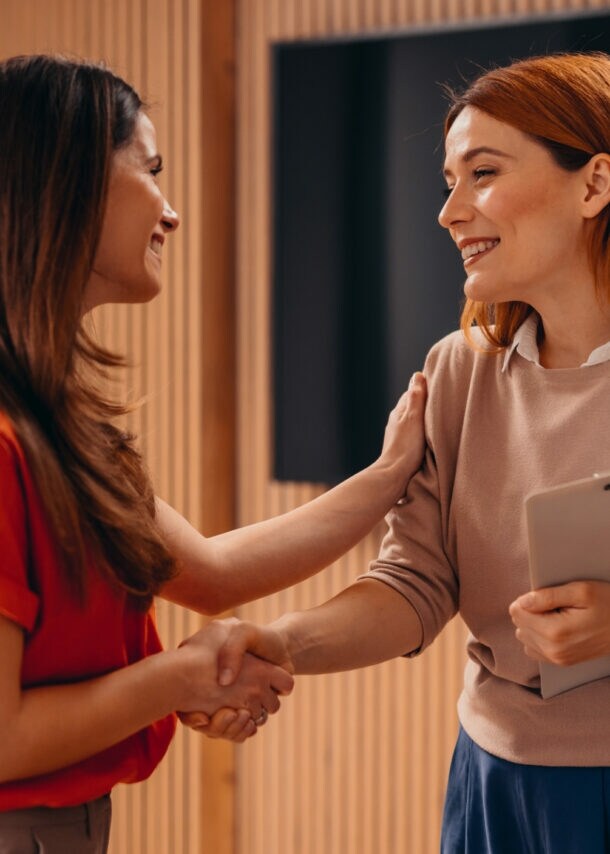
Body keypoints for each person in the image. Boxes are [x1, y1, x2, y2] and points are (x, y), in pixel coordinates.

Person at [0, 54, 427, 853]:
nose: (170, 212)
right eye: (150, 170)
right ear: (68, 183)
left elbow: (215, 573)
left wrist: (389, 474)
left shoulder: (58, 425)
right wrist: (180, 678)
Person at [203, 51, 610, 853]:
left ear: (595, 184)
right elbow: (416, 582)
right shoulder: (458, 372)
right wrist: (281, 644)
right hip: (493, 781)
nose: (449, 212)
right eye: (448, 182)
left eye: (482, 173)